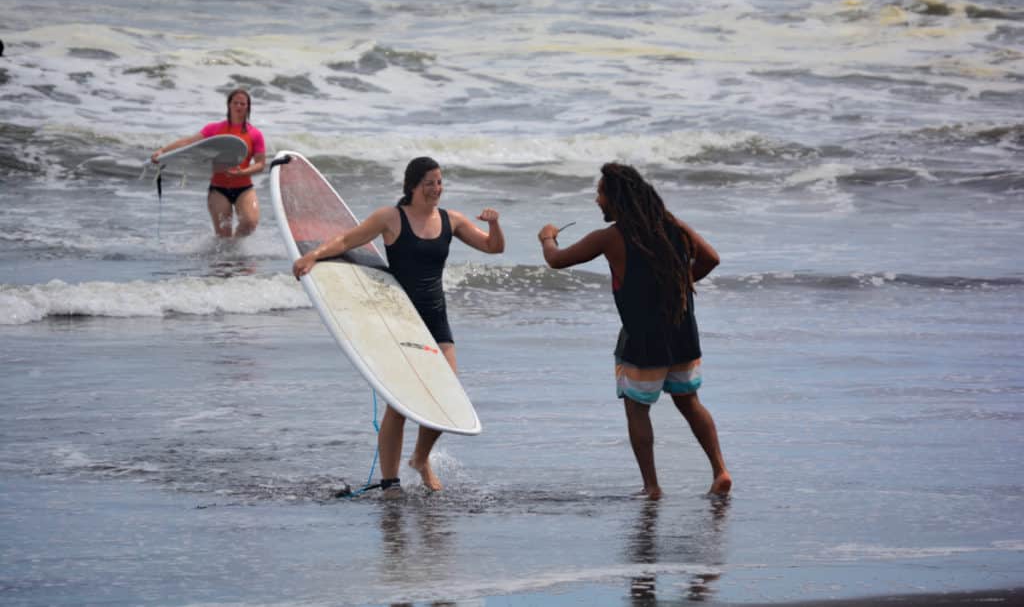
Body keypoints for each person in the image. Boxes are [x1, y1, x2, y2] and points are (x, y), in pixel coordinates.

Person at [292, 156, 505, 492]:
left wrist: (494, 224)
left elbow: (493, 248)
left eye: (439, 181)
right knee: (400, 402)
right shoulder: (391, 218)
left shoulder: (451, 220)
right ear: (412, 186)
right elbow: (348, 240)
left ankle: (420, 459)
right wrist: (313, 256)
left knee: (446, 396)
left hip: (436, 319)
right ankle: (390, 481)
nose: (437, 188)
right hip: (400, 320)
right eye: (429, 183)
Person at [537, 162, 731, 500]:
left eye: (600, 194)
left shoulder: (610, 237)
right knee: (690, 402)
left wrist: (547, 237)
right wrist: (682, 284)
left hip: (643, 338)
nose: (597, 201)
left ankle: (651, 487)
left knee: (637, 409)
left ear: (615, 198)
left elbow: (557, 260)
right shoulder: (671, 225)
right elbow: (711, 258)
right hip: (682, 331)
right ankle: (720, 470)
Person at [151, 89, 266, 237]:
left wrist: (242, 172)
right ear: (229, 105)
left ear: (248, 107)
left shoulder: (255, 134)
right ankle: (226, 256)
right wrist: (162, 150)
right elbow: (188, 142)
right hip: (219, 189)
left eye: (243, 103)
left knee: (250, 223)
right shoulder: (215, 129)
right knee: (223, 235)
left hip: (244, 188)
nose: (239, 106)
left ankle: (235, 251)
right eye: (235, 102)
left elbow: (260, 164)